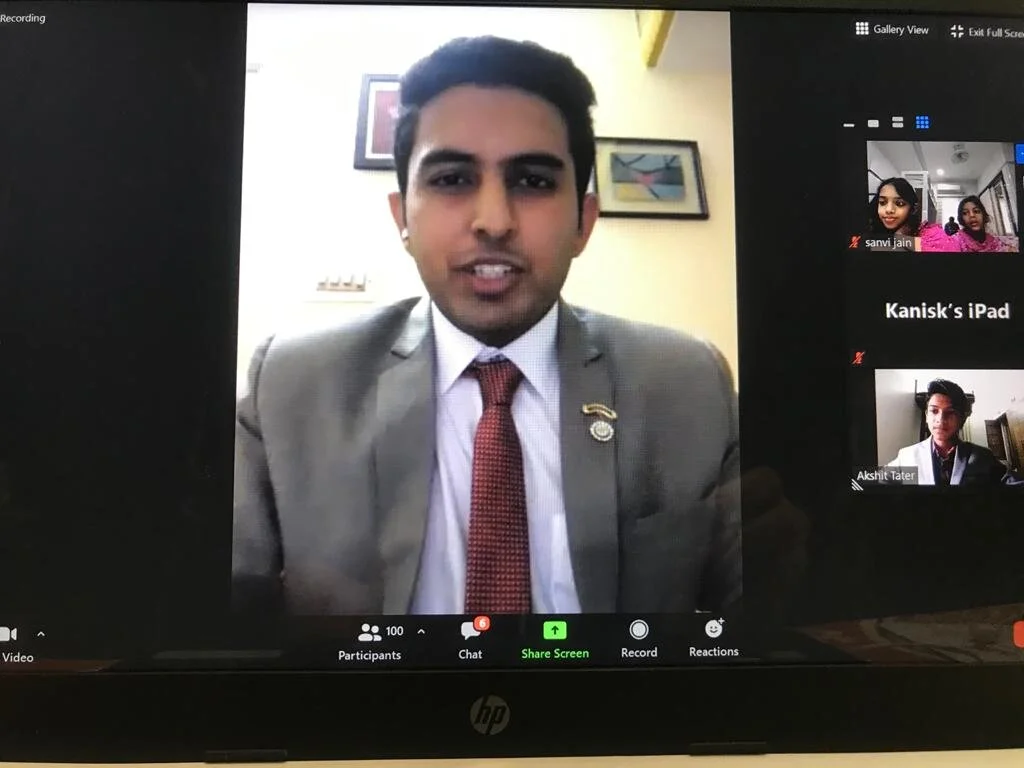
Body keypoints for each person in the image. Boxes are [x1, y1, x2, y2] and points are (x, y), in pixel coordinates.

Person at [231, 36, 741, 616]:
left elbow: (762, 607)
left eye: (533, 181)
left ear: (583, 223)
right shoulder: (291, 384)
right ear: (402, 219)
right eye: (452, 179)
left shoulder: (687, 382)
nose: (494, 222)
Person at [887, 379, 1023, 486]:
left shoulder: (981, 457)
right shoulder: (908, 457)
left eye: (950, 412)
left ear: (961, 418)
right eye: (934, 411)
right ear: (927, 415)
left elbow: (1013, 483)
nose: (941, 419)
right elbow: (879, 481)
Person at [919, 195, 1017, 252]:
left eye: (976, 211)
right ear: (961, 219)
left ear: (984, 215)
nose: (972, 215)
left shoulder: (996, 242)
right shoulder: (956, 242)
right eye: (965, 213)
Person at [860, 177, 922, 251]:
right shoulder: (864, 231)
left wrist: (901, 238)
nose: (889, 210)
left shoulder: (922, 234)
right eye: (882, 202)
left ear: (912, 208)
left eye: (900, 203)